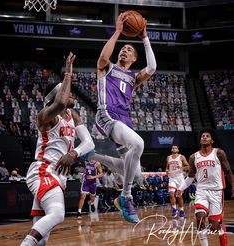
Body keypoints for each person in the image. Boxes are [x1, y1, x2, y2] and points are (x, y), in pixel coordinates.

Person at [20, 52, 95, 246]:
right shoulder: (46, 116)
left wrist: (73, 153)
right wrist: (68, 73)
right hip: (44, 170)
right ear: (56, 95)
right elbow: (60, 102)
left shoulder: (73, 115)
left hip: (56, 175)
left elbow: (89, 143)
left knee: (43, 238)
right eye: (66, 90)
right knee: (58, 214)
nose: (71, 93)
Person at [95, 12, 156, 223]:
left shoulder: (134, 78)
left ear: (134, 59)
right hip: (107, 115)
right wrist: (118, 32)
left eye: (129, 49)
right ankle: (126, 197)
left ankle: (87, 155)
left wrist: (144, 38)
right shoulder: (107, 68)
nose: (124, 49)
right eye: (123, 48)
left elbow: (153, 68)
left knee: (135, 173)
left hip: (124, 120)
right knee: (138, 144)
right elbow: (103, 58)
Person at [178, 128, 234, 246]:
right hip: (202, 191)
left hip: (217, 191)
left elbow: (228, 171)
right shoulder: (194, 157)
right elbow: (190, 177)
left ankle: (222, 239)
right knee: (200, 216)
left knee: (215, 227)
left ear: (212, 140)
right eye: (202, 136)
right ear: (199, 140)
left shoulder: (219, 153)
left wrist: (233, 186)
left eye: (207, 136)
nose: (204, 137)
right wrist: (181, 188)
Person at [166, 145, 189, 218]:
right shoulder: (168, 157)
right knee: (171, 194)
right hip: (172, 178)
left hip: (180, 178)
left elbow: (188, 166)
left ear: (178, 150)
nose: (174, 149)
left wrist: (181, 168)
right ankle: (174, 209)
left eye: (175, 148)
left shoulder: (181, 157)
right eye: (172, 148)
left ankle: (181, 210)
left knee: (179, 196)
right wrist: (166, 170)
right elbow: (167, 167)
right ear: (171, 149)